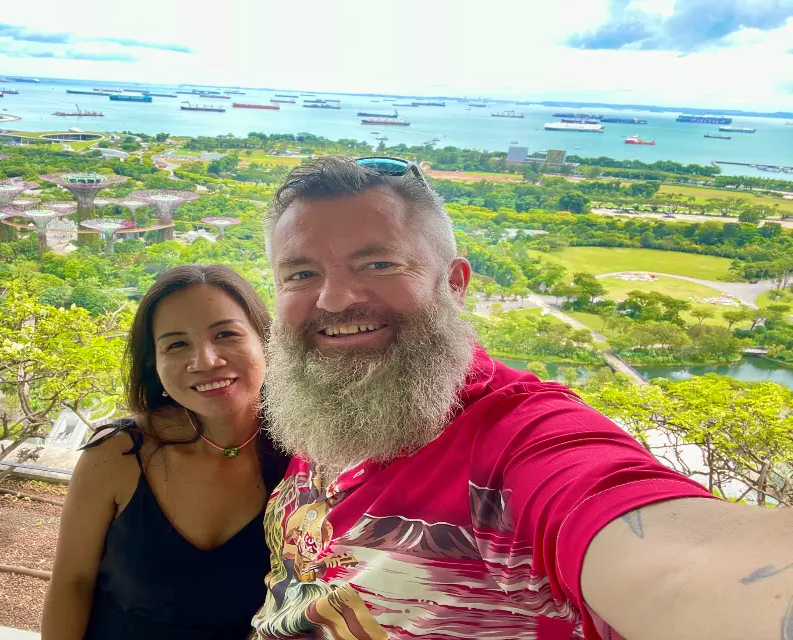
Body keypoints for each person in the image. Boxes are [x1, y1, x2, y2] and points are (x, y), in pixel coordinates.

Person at [253, 156, 793, 640]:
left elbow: (679, 560)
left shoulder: (517, 438)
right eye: (302, 274)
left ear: (455, 284)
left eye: (379, 265)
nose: (335, 298)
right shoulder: (325, 401)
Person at [43, 265, 288, 640]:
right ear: (153, 365)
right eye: (176, 344)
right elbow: (72, 583)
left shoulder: (309, 456)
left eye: (226, 334)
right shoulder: (116, 454)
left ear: (266, 341)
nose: (206, 361)